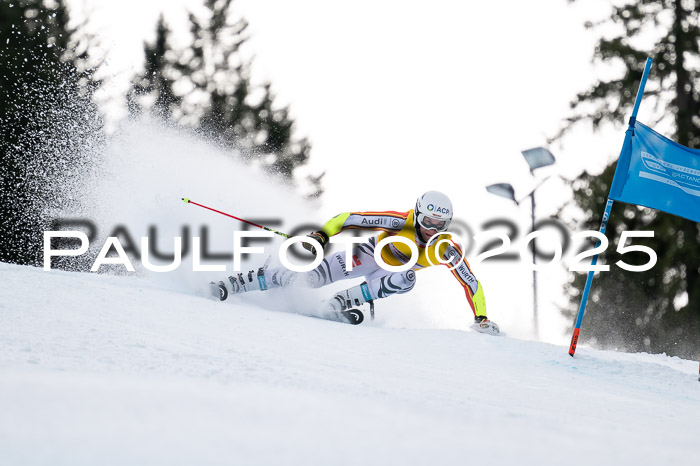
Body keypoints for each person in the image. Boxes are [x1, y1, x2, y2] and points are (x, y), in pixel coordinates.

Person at [212, 191, 499, 335]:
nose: (431, 229)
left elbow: (470, 283)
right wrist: (321, 235)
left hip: (390, 275)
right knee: (308, 278)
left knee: (407, 278)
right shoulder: (399, 221)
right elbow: (348, 219)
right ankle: (246, 280)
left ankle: (340, 302)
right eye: (427, 221)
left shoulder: (446, 248)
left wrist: (481, 318)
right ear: (417, 214)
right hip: (366, 255)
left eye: (440, 224)